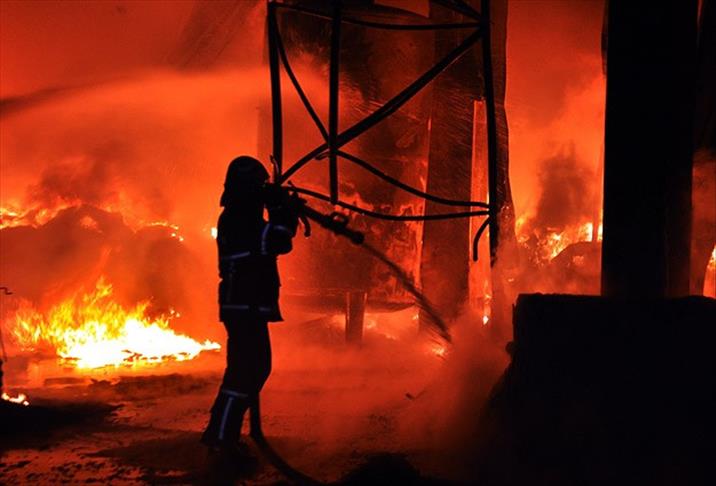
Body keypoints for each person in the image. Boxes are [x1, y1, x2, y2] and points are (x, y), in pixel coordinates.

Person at [201, 155, 298, 450]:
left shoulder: (240, 216)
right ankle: (222, 437)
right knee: (246, 373)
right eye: (259, 186)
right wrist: (281, 209)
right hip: (245, 306)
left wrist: (280, 208)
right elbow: (278, 241)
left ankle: (220, 432)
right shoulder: (238, 218)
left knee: (249, 371)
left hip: (246, 305)